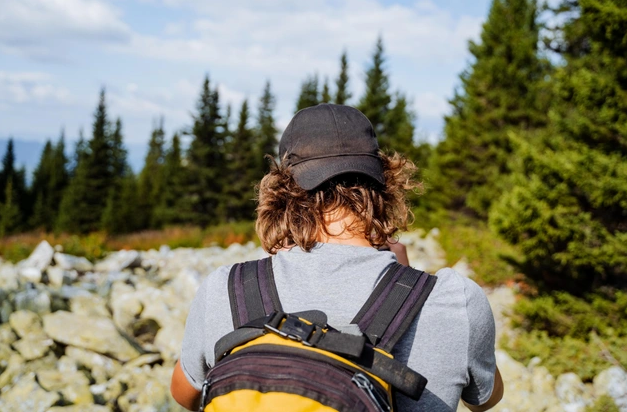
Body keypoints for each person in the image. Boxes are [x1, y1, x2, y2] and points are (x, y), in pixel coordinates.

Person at [171, 104, 503, 411]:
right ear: (386, 184)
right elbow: (485, 399)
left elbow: (185, 395)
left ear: (281, 191)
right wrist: (406, 285)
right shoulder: (455, 300)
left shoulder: (227, 288)